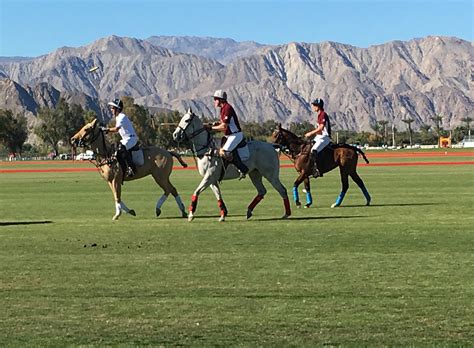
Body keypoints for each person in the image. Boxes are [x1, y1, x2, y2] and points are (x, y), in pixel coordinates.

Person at [209, 90, 249, 179]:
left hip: (235, 135)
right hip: (229, 136)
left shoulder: (227, 108)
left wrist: (211, 128)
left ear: (220, 100)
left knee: (224, 152)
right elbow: (222, 122)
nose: (214, 101)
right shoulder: (222, 109)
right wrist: (214, 124)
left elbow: (224, 126)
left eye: (215, 99)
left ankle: (242, 169)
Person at [104, 98, 138, 177]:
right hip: (126, 139)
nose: (111, 109)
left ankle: (132, 168)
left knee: (121, 148)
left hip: (131, 139)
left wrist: (106, 130)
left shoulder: (121, 117)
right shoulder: (118, 118)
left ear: (117, 109)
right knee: (115, 147)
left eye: (112, 108)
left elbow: (116, 129)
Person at [304, 98, 332, 177]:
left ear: (318, 106)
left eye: (314, 105)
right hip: (319, 137)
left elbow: (321, 128)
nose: (313, 106)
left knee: (314, 150)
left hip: (324, 137)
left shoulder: (323, 114)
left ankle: (318, 170)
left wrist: (310, 133)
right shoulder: (319, 114)